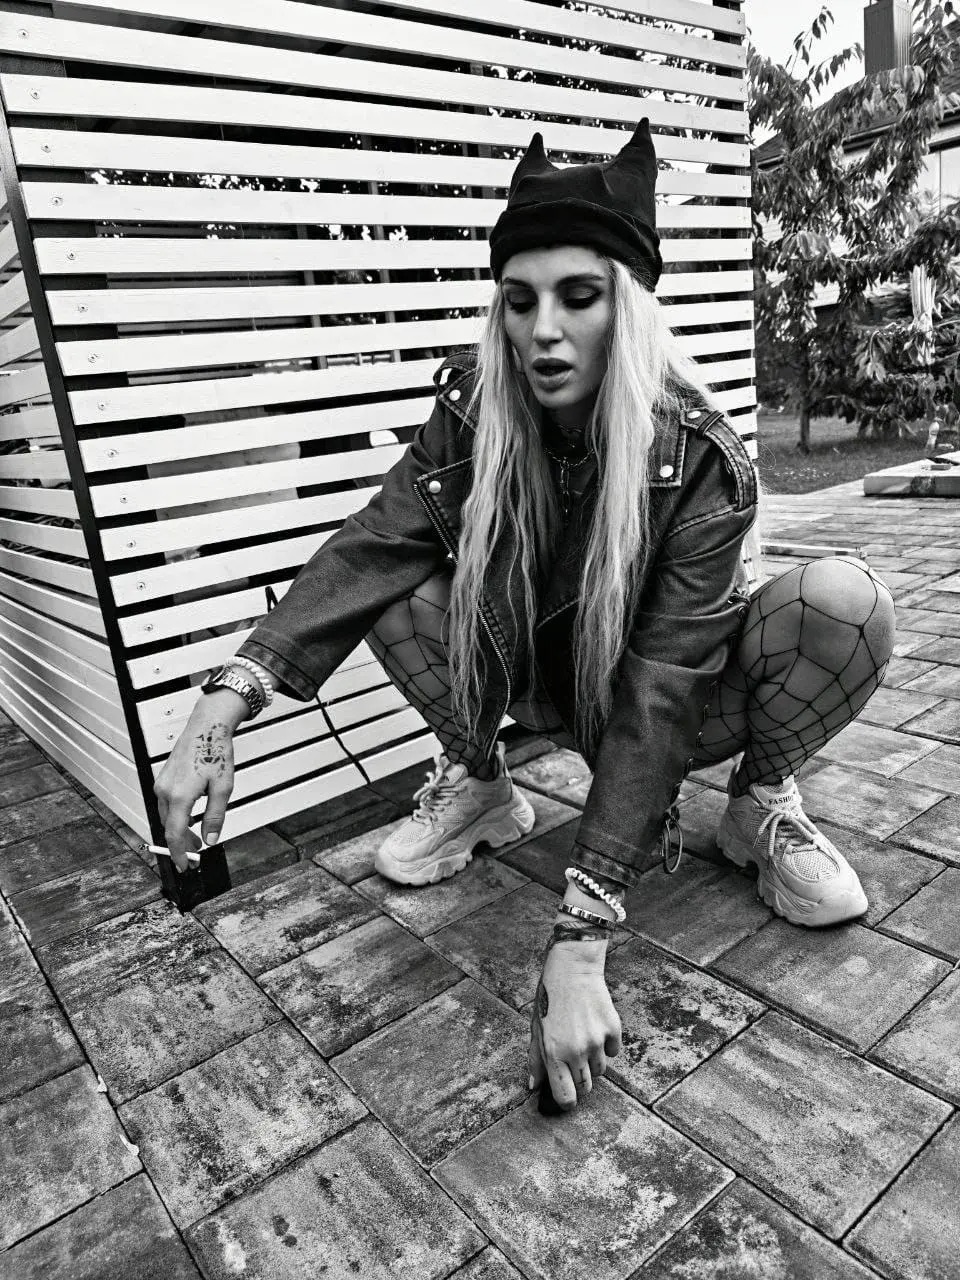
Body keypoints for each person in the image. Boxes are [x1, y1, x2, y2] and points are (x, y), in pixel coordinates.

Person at [156, 121, 895, 1112]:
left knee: (844, 602)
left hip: (680, 713)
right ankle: (482, 781)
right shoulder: (473, 414)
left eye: (578, 297)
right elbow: (372, 543)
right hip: (542, 688)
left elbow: (664, 688)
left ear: (627, 308)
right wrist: (226, 697)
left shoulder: (700, 457)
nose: (544, 329)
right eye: (520, 299)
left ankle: (758, 804)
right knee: (392, 579)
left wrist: (582, 936)